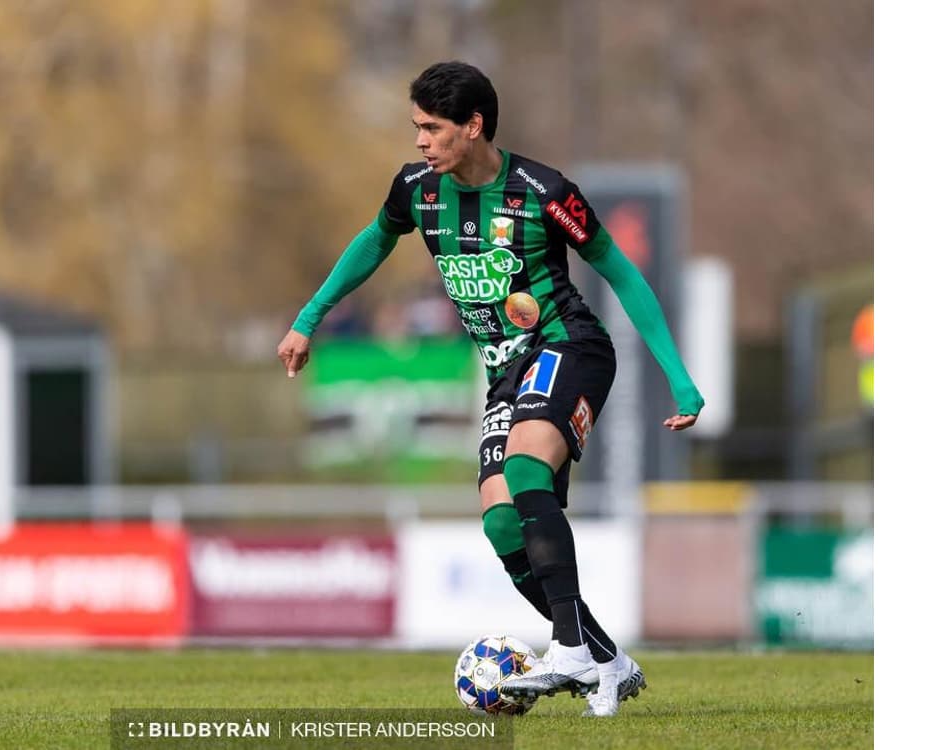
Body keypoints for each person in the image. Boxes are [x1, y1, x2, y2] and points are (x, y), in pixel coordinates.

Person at [276, 61, 704, 717]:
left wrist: (679, 378)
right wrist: (309, 318)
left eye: (431, 127)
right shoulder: (417, 190)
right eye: (416, 127)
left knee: (526, 465)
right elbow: (373, 241)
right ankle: (608, 662)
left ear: (472, 127)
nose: (419, 141)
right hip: (505, 372)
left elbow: (620, 271)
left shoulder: (544, 190)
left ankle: (565, 651)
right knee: (504, 522)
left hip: (571, 348)